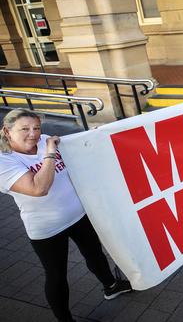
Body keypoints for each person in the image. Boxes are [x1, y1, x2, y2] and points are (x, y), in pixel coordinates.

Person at [0, 109, 132, 322]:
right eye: (24, 129)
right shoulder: (4, 161)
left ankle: (111, 286)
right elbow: (38, 188)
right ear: (7, 131)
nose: (33, 134)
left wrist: (93, 137)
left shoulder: (43, 140)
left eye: (36, 128)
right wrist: (50, 153)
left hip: (78, 214)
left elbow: (74, 154)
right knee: (56, 275)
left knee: (95, 255)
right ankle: (65, 319)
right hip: (47, 227)